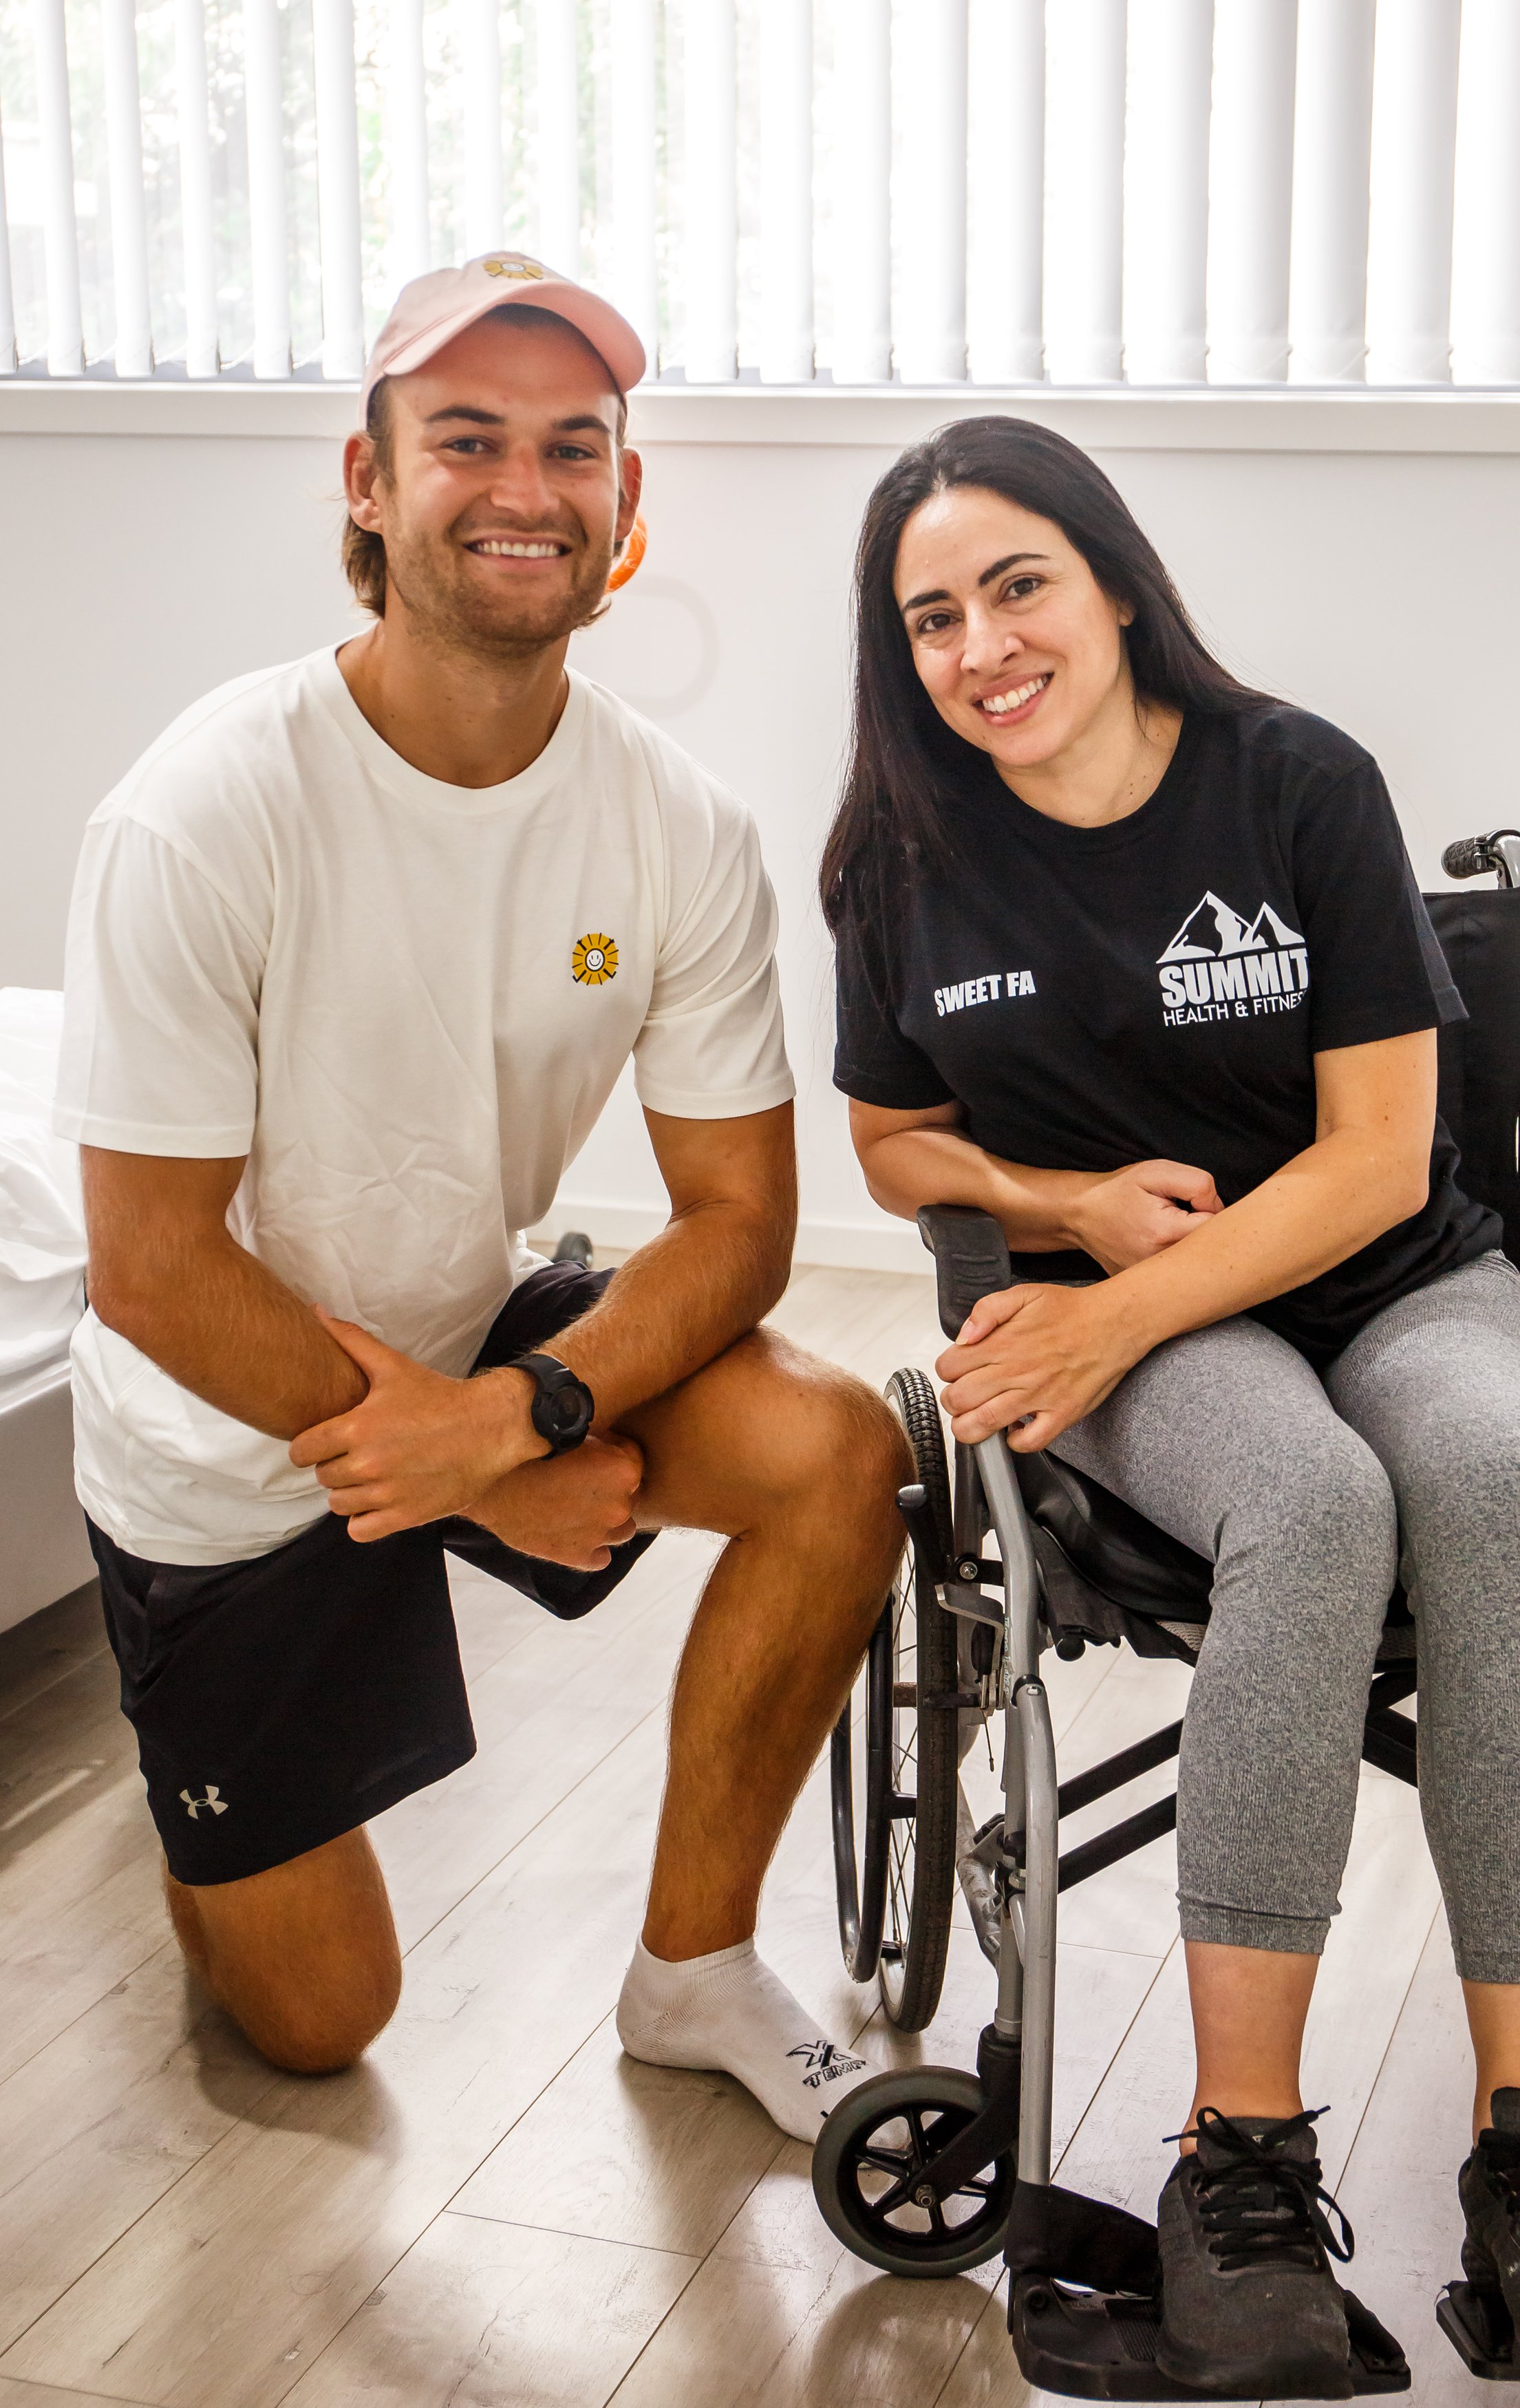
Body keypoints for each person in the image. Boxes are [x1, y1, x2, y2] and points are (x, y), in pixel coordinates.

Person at [821, 415, 1520, 2389]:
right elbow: (889, 1142)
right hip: (1136, 1325)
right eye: (930, 615)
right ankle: (1241, 2156)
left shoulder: (1289, 782)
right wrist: (1055, 1218)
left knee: (1482, 1478)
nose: (979, 645)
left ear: (1114, 582)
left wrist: (1115, 1318)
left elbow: (1380, 1160)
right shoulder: (901, 856)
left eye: (1015, 584)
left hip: (1393, 1280)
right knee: (1306, 1505)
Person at [53, 252, 906, 2145]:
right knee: (324, 2024)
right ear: (366, 485)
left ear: (624, 510)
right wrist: (479, 1465)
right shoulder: (202, 809)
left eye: (572, 447)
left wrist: (519, 1414)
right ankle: (187, 1785)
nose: (525, 487)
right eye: (465, 440)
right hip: (222, 1452)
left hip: (462, 1341)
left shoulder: (675, 823)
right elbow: (153, 1267)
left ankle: (692, 1970)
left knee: (836, 1448)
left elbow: (738, 1227)